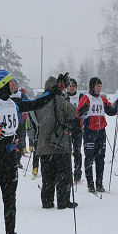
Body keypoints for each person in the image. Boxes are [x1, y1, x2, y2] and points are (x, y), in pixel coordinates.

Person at [0, 69, 63, 234]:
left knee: (10, 200)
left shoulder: (14, 103)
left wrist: (54, 91)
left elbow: (35, 103)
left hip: (8, 157)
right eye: (9, 83)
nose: (13, 85)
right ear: (1, 85)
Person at [35, 76, 78, 209]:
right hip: (59, 143)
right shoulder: (59, 99)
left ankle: (47, 201)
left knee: (47, 177)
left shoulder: (38, 101)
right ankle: (63, 201)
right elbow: (73, 113)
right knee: (63, 175)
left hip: (43, 145)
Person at [77, 77, 118, 193]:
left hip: (101, 131)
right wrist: (83, 111)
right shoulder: (86, 98)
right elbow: (78, 113)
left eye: (100, 87)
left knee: (100, 158)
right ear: (92, 87)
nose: (99, 89)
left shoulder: (102, 99)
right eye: (97, 86)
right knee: (89, 158)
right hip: (89, 131)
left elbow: (111, 111)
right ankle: (90, 183)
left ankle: (99, 182)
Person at [65, 78, 84, 182]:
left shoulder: (80, 96)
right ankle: (67, 172)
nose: (71, 88)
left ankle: (77, 173)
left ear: (76, 87)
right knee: (67, 151)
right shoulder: (64, 97)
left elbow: (85, 109)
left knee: (77, 151)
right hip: (67, 127)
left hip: (77, 127)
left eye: (73, 86)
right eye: (69, 86)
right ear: (67, 87)